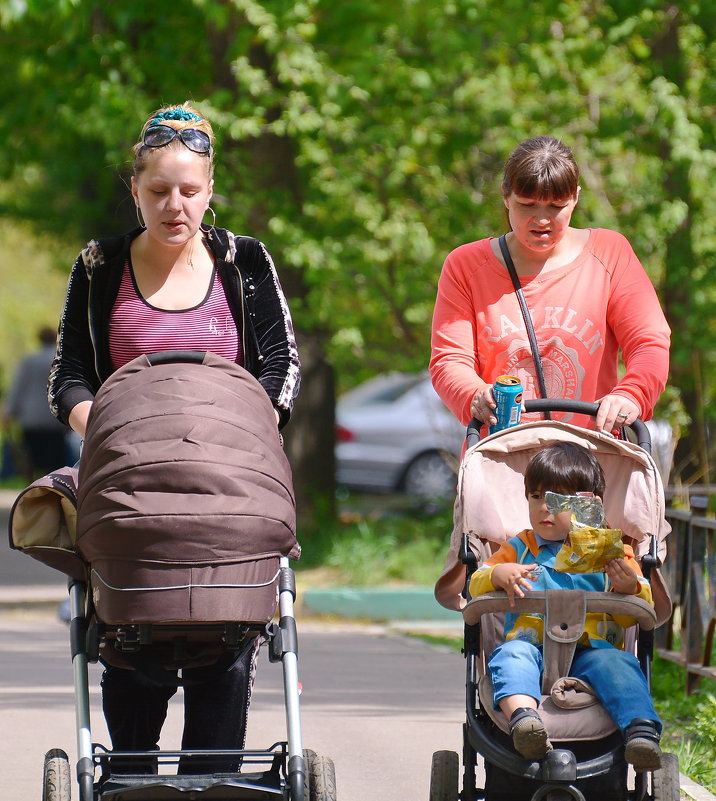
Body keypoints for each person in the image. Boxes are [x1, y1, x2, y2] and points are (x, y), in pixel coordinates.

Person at [48, 102, 300, 773]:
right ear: (135, 190)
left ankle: (211, 774)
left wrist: (243, 428)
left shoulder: (243, 262)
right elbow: (68, 379)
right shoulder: (100, 266)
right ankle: (131, 770)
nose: (174, 205)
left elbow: (281, 366)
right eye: (158, 191)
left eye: (189, 190)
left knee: (227, 648)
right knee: (134, 657)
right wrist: (108, 429)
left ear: (211, 190)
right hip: (130, 486)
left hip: (228, 484)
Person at [429, 135, 671, 435]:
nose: (542, 219)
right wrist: (475, 395)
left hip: (588, 459)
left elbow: (649, 342)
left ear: (576, 198)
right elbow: (449, 359)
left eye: (557, 206)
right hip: (501, 457)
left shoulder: (610, 253)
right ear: (506, 196)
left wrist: (631, 394)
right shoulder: (465, 266)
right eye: (527, 204)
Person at [470, 442, 662, 771]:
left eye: (557, 499)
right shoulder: (519, 547)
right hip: (532, 649)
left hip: (593, 655)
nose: (545, 508)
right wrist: (499, 574)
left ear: (588, 504)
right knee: (510, 655)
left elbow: (640, 609)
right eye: (536, 497)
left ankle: (640, 731)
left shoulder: (609, 552)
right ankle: (524, 720)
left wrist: (627, 587)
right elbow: (477, 581)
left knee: (618, 664)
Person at [5, 325, 70, 479]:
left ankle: (32, 490)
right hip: (54, 419)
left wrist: (10, 412)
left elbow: (19, 388)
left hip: (31, 419)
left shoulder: (29, 360)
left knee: (32, 458)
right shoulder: (60, 359)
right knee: (54, 460)